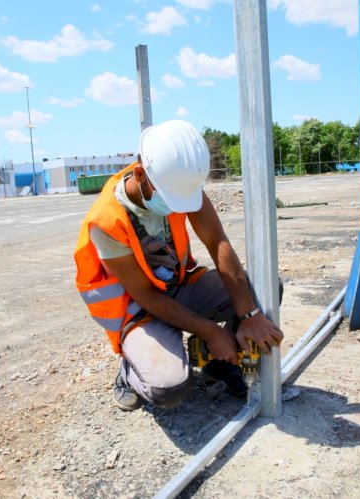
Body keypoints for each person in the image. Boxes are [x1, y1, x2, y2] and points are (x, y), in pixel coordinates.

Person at [74, 120, 284, 411]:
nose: (177, 206)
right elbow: (146, 295)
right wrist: (211, 331)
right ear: (140, 174)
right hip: (138, 310)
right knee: (169, 390)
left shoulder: (180, 183)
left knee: (265, 289)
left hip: (178, 286)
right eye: (170, 199)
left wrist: (249, 314)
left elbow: (217, 242)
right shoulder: (106, 222)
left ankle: (219, 365)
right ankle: (130, 371)